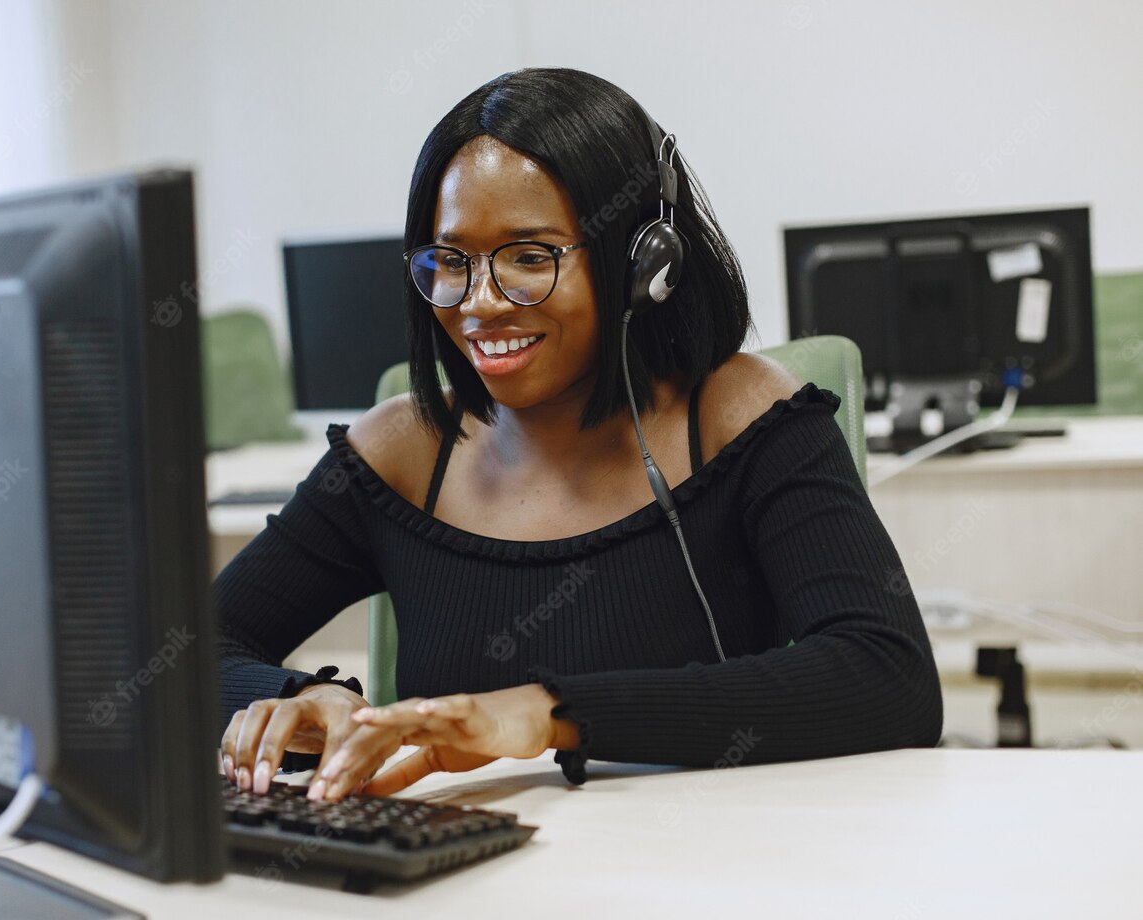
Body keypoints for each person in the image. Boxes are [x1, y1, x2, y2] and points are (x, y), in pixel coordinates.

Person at [214, 67, 942, 803]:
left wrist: (544, 713)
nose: (481, 302)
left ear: (642, 265)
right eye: (451, 261)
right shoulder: (402, 451)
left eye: (530, 257)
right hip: (460, 884)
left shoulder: (739, 417)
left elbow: (886, 674)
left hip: (708, 872)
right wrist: (309, 699)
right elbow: (168, 654)